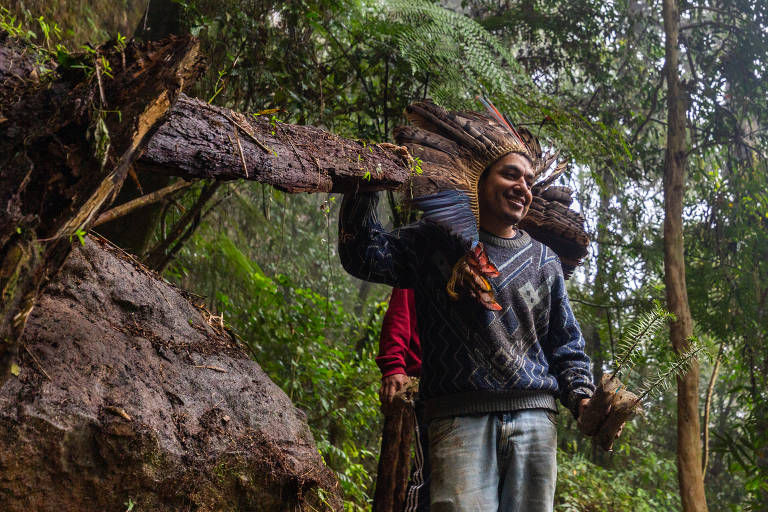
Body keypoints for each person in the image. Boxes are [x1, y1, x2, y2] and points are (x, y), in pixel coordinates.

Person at [339, 101, 595, 512]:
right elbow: (364, 256)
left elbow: (565, 345)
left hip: (535, 422)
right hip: (457, 418)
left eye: (528, 180)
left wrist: (583, 398)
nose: (523, 188)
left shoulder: (544, 260)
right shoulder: (431, 243)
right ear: (478, 178)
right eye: (510, 174)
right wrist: (366, 181)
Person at [377, 288, 430, 512]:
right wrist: (393, 364)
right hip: (431, 386)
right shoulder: (422, 258)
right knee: (430, 476)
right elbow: (401, 309)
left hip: (476, 389)